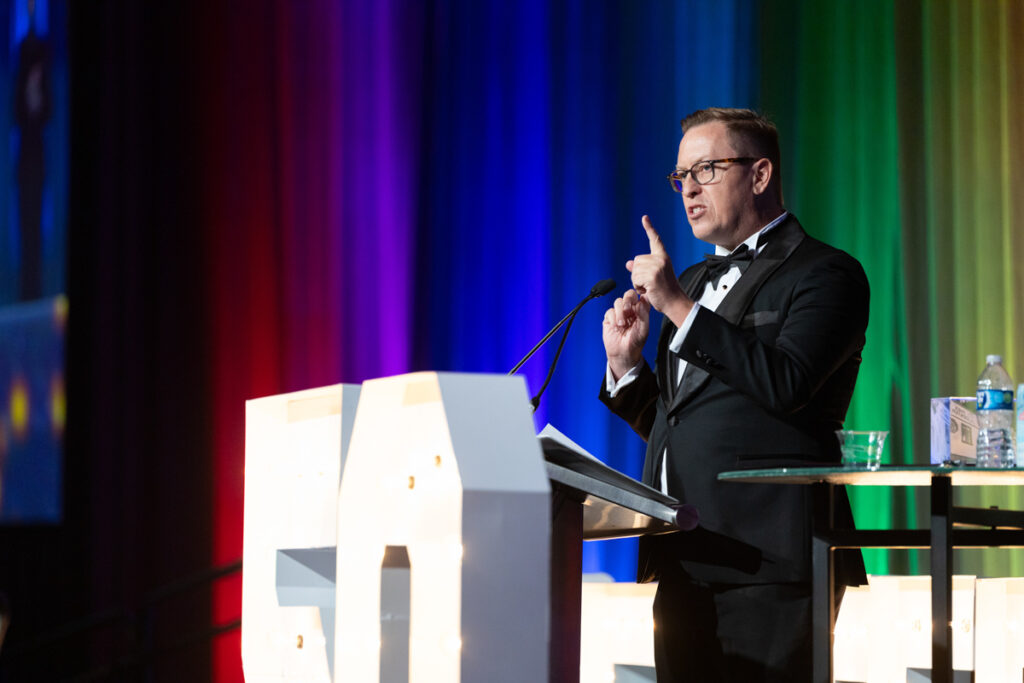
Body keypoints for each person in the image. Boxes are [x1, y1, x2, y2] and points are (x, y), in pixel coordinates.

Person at [600, 108, 868, 682]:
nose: (689, 189)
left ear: (761, 174)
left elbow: (787, 384)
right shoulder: (693, 283)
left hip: (773, 560)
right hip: (687, 558)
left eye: (707, 169)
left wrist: (676, 307)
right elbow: (688, 424)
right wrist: (625, 370)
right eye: (681, 176)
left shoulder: (827, 274)